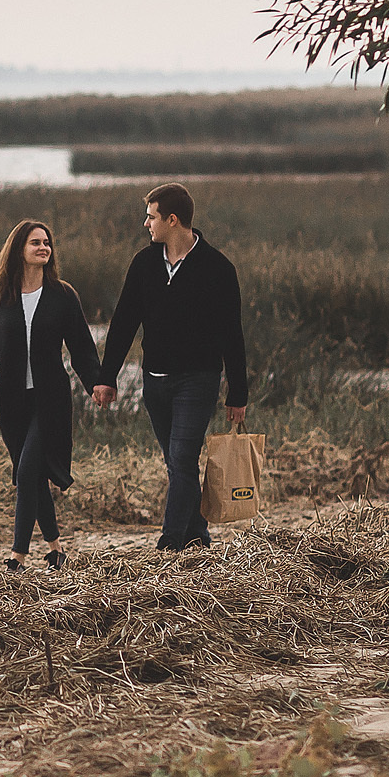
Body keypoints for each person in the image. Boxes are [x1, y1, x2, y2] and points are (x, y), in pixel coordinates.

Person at [94, 182, 248, 552]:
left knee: (181, 457)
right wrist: (106, 376)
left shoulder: (218, 268)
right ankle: (198, 536)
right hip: (155, 382)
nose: (146, 224)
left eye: (151, 217)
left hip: (198, 381)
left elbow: (232, 333)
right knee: (178, 464)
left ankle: (170, 543)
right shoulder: (144, 264)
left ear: (173, 220)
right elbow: (124, 323)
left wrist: (238, 392)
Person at [0, 219, 103, 572]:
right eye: (35, 242)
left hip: (50, 399)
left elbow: (82, 347)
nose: (43, 247)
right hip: (10, 401)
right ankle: (55, 549)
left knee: (26, 471)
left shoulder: (63, 295)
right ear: (18, 249)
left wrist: (96, 383)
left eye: (47, 242)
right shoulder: (0, 297)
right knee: (32, 475)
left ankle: (17, 557)